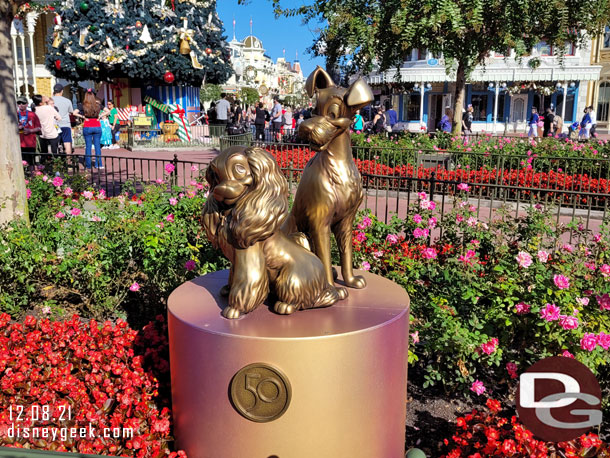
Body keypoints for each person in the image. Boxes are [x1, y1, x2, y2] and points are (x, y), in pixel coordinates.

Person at [34, 95, 62, 160]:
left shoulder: (35, 109)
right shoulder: (49, 108)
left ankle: (44, 166)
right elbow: (59, 118)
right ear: (41, 102)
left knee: (44, 153)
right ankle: (56, 166)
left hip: (42, 134)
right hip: (52, 133)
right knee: (54, 152)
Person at [82, 89, 103, 169]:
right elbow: (108, 111)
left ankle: (88, 165)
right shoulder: (97, 105)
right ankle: (99, 164)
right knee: (97, 146)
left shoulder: (83, 105)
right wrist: (100, 116)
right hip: (97, 125)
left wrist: (83, 117)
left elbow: (74, 112)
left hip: (87, 126)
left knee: (88, 146)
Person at [52, 84, 75, 155]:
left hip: (54, 125)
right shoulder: (67, 101)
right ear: (62, 91)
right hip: (65, 124)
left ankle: (56, 161)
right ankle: (69, 160)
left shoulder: (50, 101)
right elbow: (71, 112)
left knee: (54, 143)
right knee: (67, 142)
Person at [17, 95, 41, 164]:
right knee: (20, 163)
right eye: (19, 103)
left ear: (27, 104)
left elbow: (39, 128)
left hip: (30, 143)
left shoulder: (32, 114)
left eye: (23, 103)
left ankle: (32, 174)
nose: (21, 105)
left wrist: (30, 130)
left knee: (31, 163)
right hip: (18, 143)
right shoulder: (14, 115)